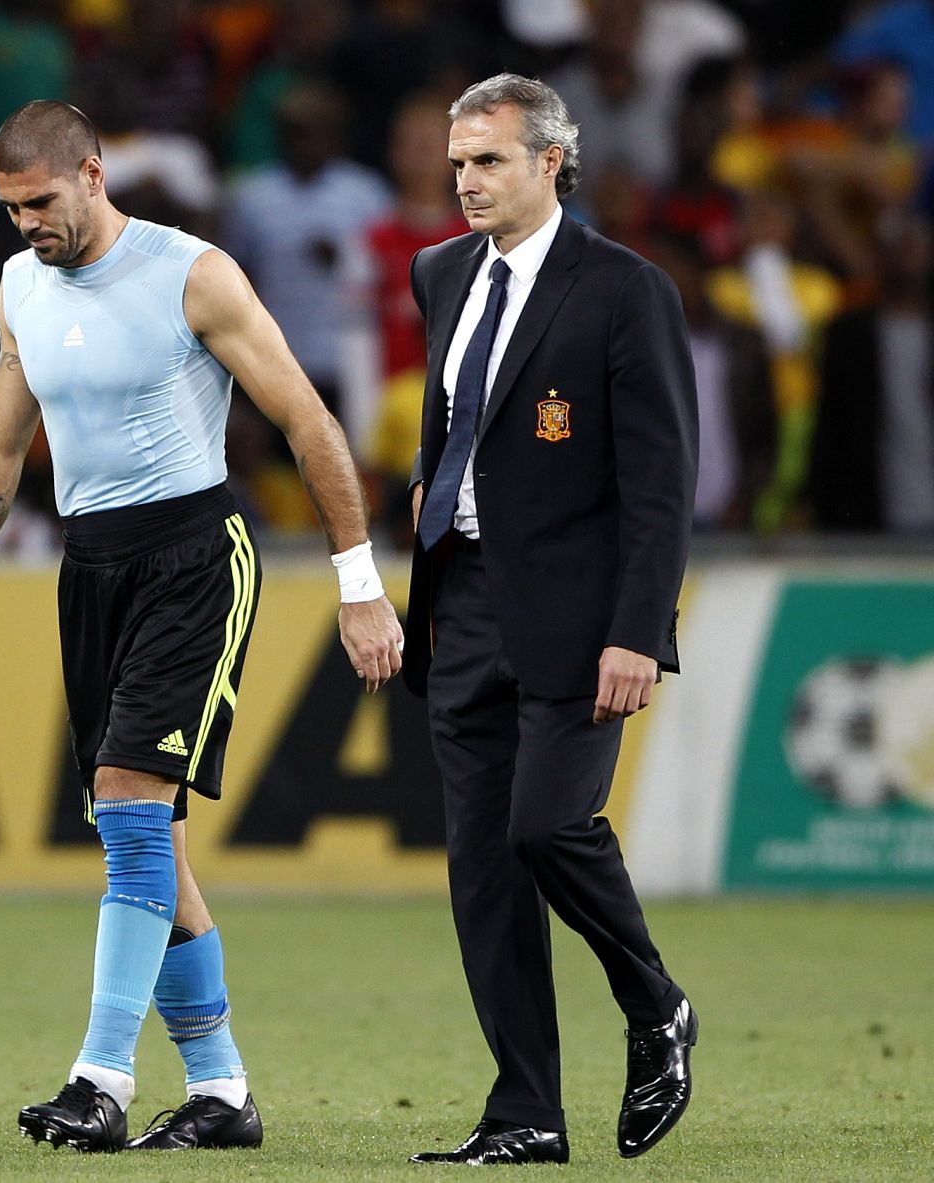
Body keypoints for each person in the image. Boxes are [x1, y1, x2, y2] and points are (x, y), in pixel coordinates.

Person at [0, 100, 403, 1153]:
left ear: (93, 174)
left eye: (39, 201)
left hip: (194, 557)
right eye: (8, 208)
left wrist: (359, 584)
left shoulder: (194, 273)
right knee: (151, 844)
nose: (25, 224)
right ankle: (221, 1090)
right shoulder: (18, 288)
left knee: (129, 807)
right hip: (89, 570)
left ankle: (100, 1075)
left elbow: (307, 421)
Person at [401, 75, 698, 1165]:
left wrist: (639, 629)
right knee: (482, 869)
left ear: (550, 162)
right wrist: (429, 532)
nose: (464, 181)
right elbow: (455, 426)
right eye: (458, 160)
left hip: (581, 617)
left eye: (487, 160)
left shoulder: (624, 289)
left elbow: (662, 482)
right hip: (465, 604)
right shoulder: (439, 274)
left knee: (547, 826)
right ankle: (524, 1108)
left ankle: (654, 1002)